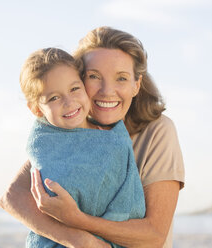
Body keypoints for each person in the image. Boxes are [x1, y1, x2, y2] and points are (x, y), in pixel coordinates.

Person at [0, 26, 185, 248]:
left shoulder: (158, 132)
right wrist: (74, 238)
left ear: (136, 85)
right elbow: (12, 197)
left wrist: (79, 221)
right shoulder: (69, 129)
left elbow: (154, 235)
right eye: (94, 76)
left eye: (122, 78)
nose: (107, 90)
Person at [19, 47, 145, 248]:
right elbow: (53, 189)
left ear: (84, 86)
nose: (69, 103)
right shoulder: (44, 142)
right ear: (35, 108)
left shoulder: (114, 136)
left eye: (74, 89)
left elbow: (128, 201)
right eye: (54, 98)